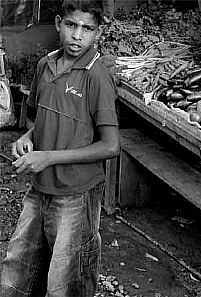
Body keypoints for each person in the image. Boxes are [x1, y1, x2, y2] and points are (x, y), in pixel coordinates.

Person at [1, 0, 119, 295]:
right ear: (58, 24)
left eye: (87, 29)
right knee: (16, 268)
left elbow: (111, 145)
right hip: (40, 189)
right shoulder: (45, 65)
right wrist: (27, 138)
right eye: (71, 25)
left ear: (97, 33)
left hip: (76, 194)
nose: (77, 36)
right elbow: (41, 121)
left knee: (65, 281)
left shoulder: (96, 76)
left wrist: (49, 157)